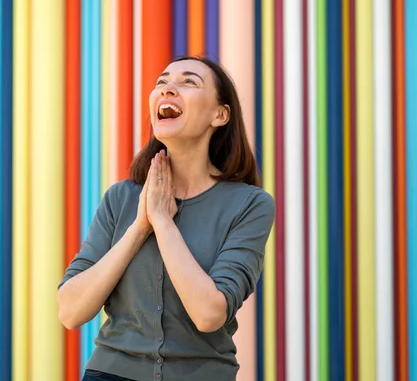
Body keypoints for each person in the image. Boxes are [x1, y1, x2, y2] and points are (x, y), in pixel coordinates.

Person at [57, 56, 275, 381]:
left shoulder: (250, 205)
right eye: (162, 82)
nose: (168, 88)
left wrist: (163, 222)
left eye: (189, 81)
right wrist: (139, 227)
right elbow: (71, 311)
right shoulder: (121, 198)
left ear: (220, 114)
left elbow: (209, 313)